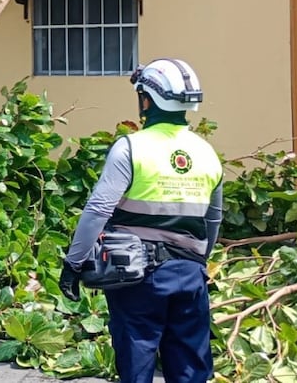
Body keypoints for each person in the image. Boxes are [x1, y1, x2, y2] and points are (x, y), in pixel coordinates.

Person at [59, 59, 224, 383]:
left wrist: (74, 263)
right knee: (190, 369)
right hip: (190, 274)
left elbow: (98, 210)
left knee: (136, 364)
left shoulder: (130, 148)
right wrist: (198, 262)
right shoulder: (207, 153)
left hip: (136, 277)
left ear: (146, 101)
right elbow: (213, 219)